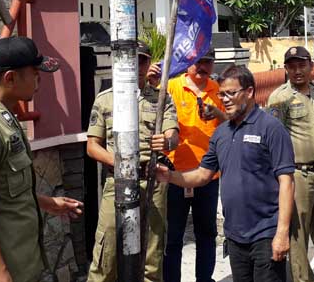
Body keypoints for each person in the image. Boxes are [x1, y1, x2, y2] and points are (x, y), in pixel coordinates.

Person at [0, 36, 83, 282]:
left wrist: (44, 202)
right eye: (34, 73)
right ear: (10, 77)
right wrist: (1, 276)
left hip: (19, 267)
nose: (39, 80)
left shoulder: (4, 118)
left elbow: (2, 191)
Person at [156, 65, 295, 282]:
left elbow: (287, 182)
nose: (225, 99)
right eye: (222, 94)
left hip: (266, 234)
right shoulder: (221, 133)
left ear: (249, 92)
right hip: (235, 236)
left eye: (231, 93)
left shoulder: (271, 128)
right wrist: (170, 176)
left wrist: (282, 233)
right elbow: (202, 175)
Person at [86, 40, 180, 282]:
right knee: (107, 252)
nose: (136, 65)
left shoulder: (161, 99)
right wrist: (121, 165)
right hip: (116, 182)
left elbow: (173, 135)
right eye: (130, 59)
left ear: (149, 63)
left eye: (142, 60)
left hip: (152, 182)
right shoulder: (106, 99)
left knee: (152, 254)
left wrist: (167, 142)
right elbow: (92, 146)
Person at [267, 46, 314, 282]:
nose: (297, 71)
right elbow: (273, 139)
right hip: (298, 176)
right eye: (292, 66)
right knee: (299, 240)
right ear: (285, 69)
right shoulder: (280, 98)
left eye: (301, 65)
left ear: (311, 67)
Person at [164, 49, 227, 282]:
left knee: (207, 234)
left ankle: (205, 279)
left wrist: (218, 113)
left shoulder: (217, 90)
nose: (202, 67)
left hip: (208, 175)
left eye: (207, 63)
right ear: (188, 63)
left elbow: (233, 121)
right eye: (197, 62)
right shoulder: (172, 86)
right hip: (175, 173)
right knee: (173, 236)